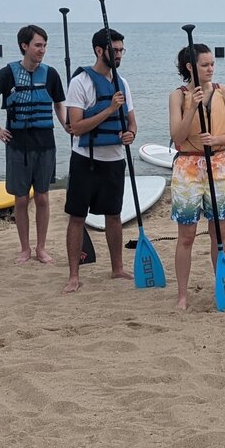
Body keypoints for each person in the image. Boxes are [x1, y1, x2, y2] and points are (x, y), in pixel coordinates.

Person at [0, 24, 67, 264]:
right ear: (24, 46)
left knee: (42, 197)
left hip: (45, 143)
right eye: (38, 45)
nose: (42, 50)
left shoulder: (51, 74)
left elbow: (59, 104)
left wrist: (67, 126)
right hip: (18, 144)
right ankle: (24, 248)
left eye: (45, 45)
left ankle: (41, 248)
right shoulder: (7, 73)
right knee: (20, 199)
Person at [62, 28, 137, 294]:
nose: (118, 55)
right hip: (86, 160)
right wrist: (108, 110)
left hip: (114, 160)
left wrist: (130, 135)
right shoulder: (80, 82)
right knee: (77, 217)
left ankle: (117, 268)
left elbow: (132, 124)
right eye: (114, 50)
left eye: (121, 50)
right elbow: (75, 127)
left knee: (114, 215)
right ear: (99, 50)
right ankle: (73, 275)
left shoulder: (123, 84)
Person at [169, 42, 225, 310]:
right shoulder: (178, 96)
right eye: (205, 64)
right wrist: (192, 107)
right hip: (188, 166)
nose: (211, 68)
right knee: (186, 234)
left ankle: (222, 284)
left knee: (219, 233)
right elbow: (177, 136)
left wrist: (217, 138)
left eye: (212, 64)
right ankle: (183, 295)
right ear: (190, 67)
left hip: (219, 163)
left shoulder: (224, 92)